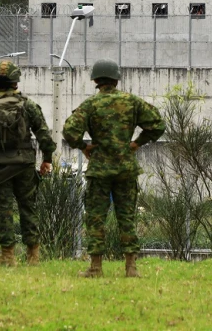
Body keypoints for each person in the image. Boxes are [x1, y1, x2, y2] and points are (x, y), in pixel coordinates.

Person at [63, 59, 165, 278]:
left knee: (96, 217)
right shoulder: (132, 102)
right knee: (127, 216)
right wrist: (137, 143)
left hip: (99, 170)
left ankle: (96, 267)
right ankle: (131, 268)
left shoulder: (90, 105)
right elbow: (157, 124)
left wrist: (84, 146)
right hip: (126, 169)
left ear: (96, 80)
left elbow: (70, 131)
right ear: (116, 79)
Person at [0, 60, 56, 267]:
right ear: (16, 81)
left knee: (4, 210)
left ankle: (7, 256)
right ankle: (33, 256)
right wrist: (46, 159)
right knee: (29, 208)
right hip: (25, 165)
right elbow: (44, 135)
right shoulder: (28, 105)